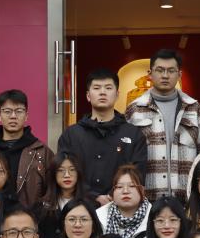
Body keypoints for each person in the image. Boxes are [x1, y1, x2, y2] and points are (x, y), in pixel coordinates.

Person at [126, 49, 200, 203]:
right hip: (147, 201)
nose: (165, 75)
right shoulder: (134, 110)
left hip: (187, 201)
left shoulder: (193, 108)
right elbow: (127, 157)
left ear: (179, 75)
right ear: (150, 73)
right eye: (160, 70)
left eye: (171, 71)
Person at [58, 69, 148, 205]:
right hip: (80, 206)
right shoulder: (71, 135)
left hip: (121, 206)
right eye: (96, 88)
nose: (102, 92)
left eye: (108, 88)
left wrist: (112, 195)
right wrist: (93, 197)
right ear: (88, 96)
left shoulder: (133, 134)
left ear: (117, 95)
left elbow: (138, 174)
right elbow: (63, 172)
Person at [0, 90, 54, 208]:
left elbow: (51, 193)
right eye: (7, 111)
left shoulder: (42, 152)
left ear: (26, 115)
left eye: (19, 111)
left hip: (32, 219)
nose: (13, 116)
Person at [33, 152, 87, 238]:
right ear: (53, 174)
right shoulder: (40, 207)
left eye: (72, 170)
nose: (67, 175)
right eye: (61, 170)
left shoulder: (90, 205)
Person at [95, 165, 152, 238]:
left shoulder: (154, 219)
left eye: (132, 186)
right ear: (113, 192)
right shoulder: (97, 218)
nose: (125, 191)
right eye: (119, 187)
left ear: (142, 190)